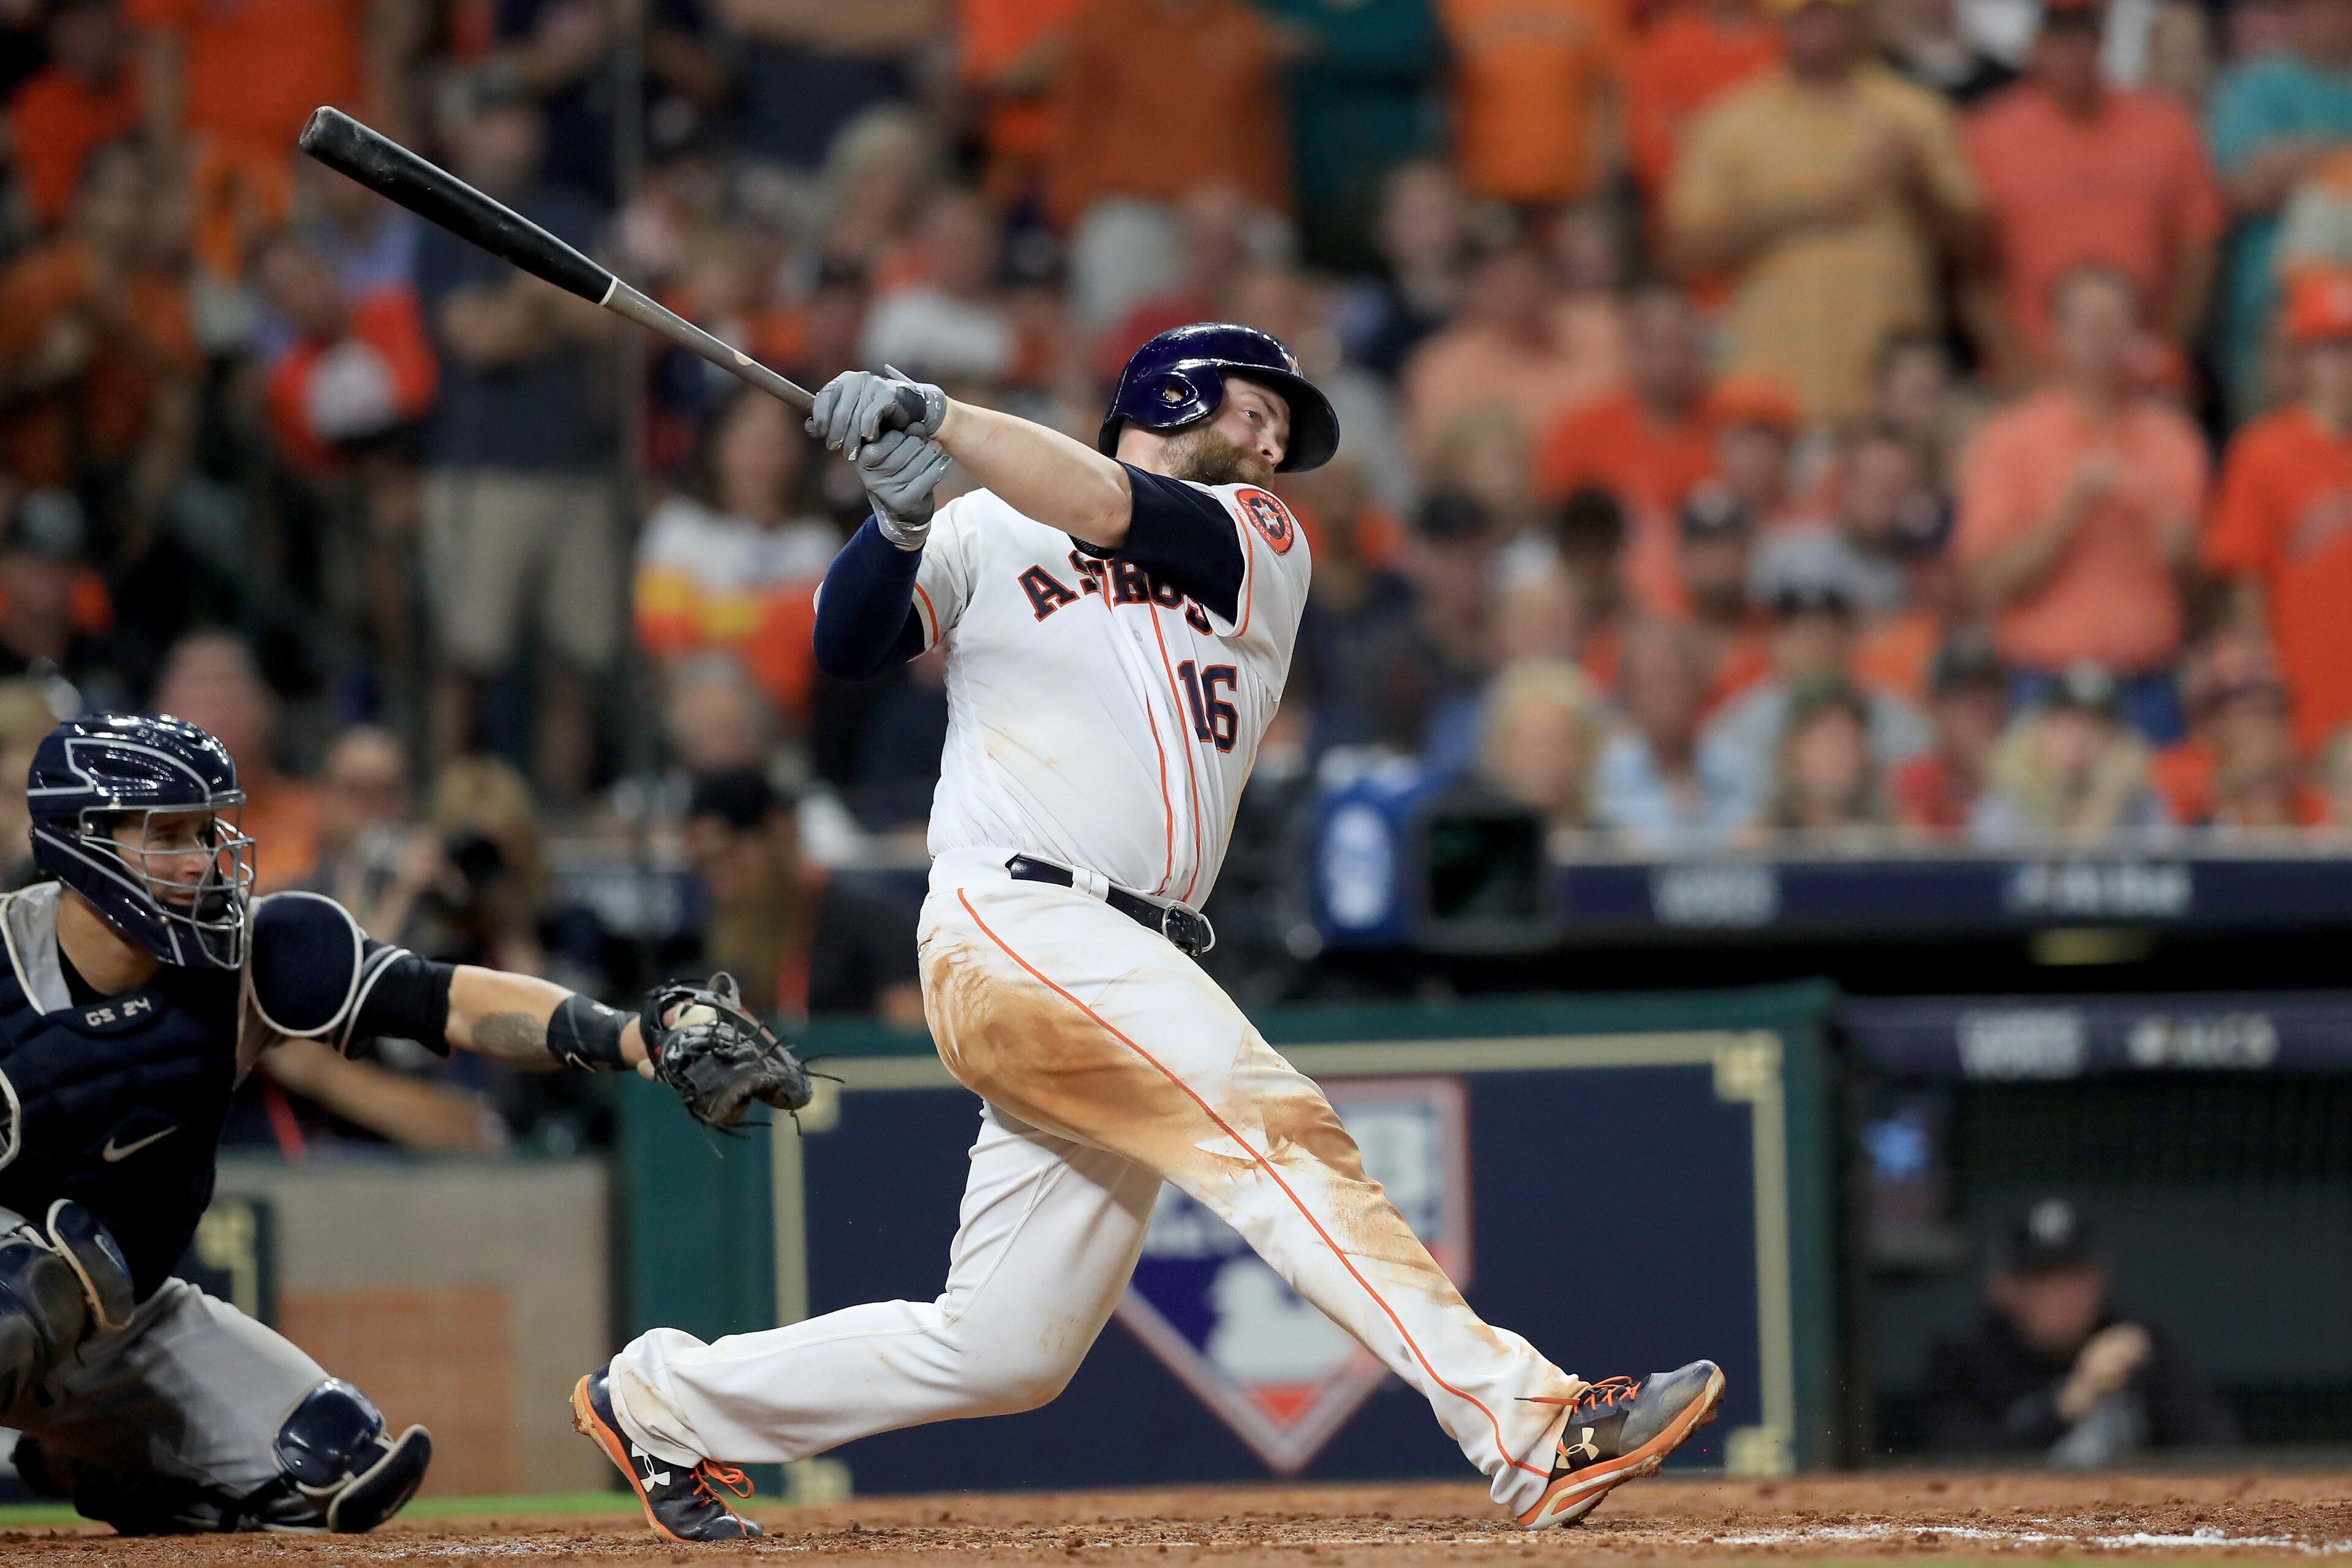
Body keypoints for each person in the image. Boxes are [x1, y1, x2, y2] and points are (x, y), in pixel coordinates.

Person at [573, 326, 1725, 1541]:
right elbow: (843, 645)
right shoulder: (983, 530)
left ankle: (663, 1401)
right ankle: (1530, 1425)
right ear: (1173, 390)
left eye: (1286, 425)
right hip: (1017, 915)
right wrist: (900, 524)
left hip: (1126, 953)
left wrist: (943, 416)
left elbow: (1115, 502)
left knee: (1006, 1346)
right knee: (1276, 1126)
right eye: (1260, 406)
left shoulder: (1259, 537)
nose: (1278, 438)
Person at [0, 712, 796, 1533]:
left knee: (339, 1469)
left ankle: (84, 1455)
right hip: (14, 1293)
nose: (203, 859)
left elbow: (444, 999)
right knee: (24, 1290)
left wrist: (632, 1037)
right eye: (169, 833)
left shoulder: (250, 954)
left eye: (209, 829)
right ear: (81, 841)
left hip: (129, 1311)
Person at [413, 82, 617, 802]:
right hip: (483, 467)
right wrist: (548, 302)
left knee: (578, 658)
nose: (514, 133)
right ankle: (448, 806)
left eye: (522, 115)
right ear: (463, 131)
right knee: (467, 655)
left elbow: (612, 324)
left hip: (577, 466)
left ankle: (563, 812)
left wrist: (525, 305)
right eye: (496, 116)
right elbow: (477, 339)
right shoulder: (444, 216)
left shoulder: (572, 212)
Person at [1666, 0, 1983, 424]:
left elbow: (1979, 247)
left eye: (1827, 15)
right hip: (1776, 395)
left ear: (1855, 20)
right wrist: (1797, 214)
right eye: (1801, 18)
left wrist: (1917, 186)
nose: (1817, 31)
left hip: (1893, 396)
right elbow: (1685, 249)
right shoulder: (1732, 121)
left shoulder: (1915, 113)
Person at [1953, 267, 2206, 744]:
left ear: (2137, 333)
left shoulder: (2174, 440)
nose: (2100, 337)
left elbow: (2203, 594)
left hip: (2150, 680)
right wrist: (2069, 515)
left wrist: (2184, 559)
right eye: (2086, 322)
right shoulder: (2008, 440)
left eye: (2113, 322)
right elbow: (1984, 583)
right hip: (2046, 681)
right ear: (2055, 334)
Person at [1964, 0, 2222, 372]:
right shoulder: (1988, 134)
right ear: (2035, 43)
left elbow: (2199, 248)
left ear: (2102, 40)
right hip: (2032, 362)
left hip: (2142, 360)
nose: (2072, 53)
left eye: (2082, 37)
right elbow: (1972, 269)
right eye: (2059, 39)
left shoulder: (2164, 124)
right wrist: (2021, 368)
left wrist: (2165, 352)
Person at [1923, 1198, 2239, 1464]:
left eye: (2074, 1278)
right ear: (2003, 1288)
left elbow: (2217, 1449)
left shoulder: (2137, 1345)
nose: (2061, 1297)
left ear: (2101, 1281)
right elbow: (1951, 1461)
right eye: (2040, 1279)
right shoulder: (1965, 1353)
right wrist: (2068, 1404)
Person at [2204, 268, 2352, 755]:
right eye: (2332, 348)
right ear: (2302, 359)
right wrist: (2264, 701)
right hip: (2307, 692)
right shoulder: (2264, 450)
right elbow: (2247, 590)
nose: (2346, 364)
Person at [682, 767, 923, 1023]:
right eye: (706, 867)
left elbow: (912, 1034)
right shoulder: (712, 949)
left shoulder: (872, 928)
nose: (722, 888)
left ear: (781, 831)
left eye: (731, 858)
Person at [1537, 282, 1717, 619]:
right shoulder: (1579, 431)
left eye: (1680, 343)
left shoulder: (1728, 426)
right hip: (1606, 604)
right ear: (1629, 347)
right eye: (1654, 344)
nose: (1668, 360)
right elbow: (1562, 537)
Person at [2207, 0, 2352, 419]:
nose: (2338, 19)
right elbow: (2243, 187)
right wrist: (2339, 157)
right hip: (2270, 317)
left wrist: (2299, 161)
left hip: (2347, 317)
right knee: (2271, 449)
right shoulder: (2257, 86)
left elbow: (2274, 171)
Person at [1437, 0, 1628, 209]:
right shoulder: (1457, 6)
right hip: (1485, 191)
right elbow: (1443, 95)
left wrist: (1605, 179)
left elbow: (1611, 93)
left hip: (1574, 191)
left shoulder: (1595, 6)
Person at [1970, 660, 2170, 841]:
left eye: (2094, 727)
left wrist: (2109, 798)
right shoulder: (2009, 792)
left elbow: (2168, 864)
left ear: (2116, 740)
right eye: (2067, 724)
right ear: (2042, 730)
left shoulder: (2136, 799)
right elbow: (1990, 873)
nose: (2078, 739)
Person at [1593, 617, 1750, 847]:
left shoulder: (1742, 774)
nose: (1665, 698)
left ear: (1700, 687)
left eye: (1675, 681)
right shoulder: (1599, 783)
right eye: (1650, 683)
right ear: (1626, 693)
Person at [6, 0, 139, 232]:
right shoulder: (42, 102)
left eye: (90, 17)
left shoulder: (143, 82)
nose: (80, 33)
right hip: (79, 241)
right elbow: (54, 210)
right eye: (66, 22)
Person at [1480, 658, 1609, 853]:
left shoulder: (1611, 848)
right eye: (1530, 743)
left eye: (1555, 742)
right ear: (1502, 750)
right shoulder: (1477, 846)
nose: (1543, 757)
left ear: (1583, 750)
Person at [1890, 628, 2008, 834]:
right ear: (1935, 709)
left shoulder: (2032, 773)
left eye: (1990, 693)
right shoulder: (1917, 781)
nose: (1982, 709)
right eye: (1965, 699)